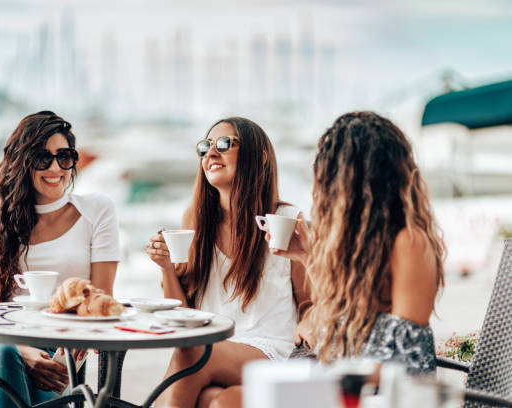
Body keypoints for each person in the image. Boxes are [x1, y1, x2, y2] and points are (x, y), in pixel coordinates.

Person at [211, 111, 446, 407]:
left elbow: (404, 355)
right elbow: (349, 312)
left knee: (230, 402)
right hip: (346, 372)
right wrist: (306, 257)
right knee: (221, 399)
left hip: (380, 391)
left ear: (359, 175)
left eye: (331, 171)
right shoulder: (362, 242)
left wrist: (324, 376)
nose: (324, 184)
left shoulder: (409, 242)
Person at [0, 111, 121, 408]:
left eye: (64, 157)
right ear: (23, 161)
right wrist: (20, 349)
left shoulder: (98, 211)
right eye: (42, 158)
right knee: (3, 355)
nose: (55, 168)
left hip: (53, 355)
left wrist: (73, 345)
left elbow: (99, 302)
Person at [146, 117, 311, 408]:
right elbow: (186, 320)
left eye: (224, 144)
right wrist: (167, 269)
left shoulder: (285, 220)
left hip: (274, 352)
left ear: (259, 158)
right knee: (220, 402)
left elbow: (310, 303)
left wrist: (310, 322)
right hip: (212, 351)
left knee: (193, 351)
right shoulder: (196, 221)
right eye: (205, 147)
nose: (211, 153)